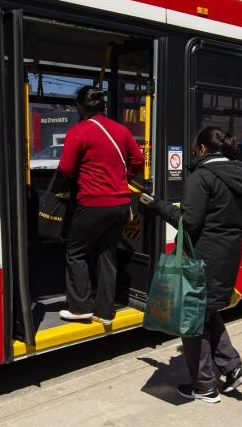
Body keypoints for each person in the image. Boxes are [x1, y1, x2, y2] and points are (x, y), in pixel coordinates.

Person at [140, 126, 242, 403]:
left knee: (190, 321)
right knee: (206, 313)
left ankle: (204, 387)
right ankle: (233, 367)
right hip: (228, 259)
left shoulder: (201, 177)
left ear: (202, 148)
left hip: (200, 261)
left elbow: (188, 223)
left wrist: (157, 205)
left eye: (195, 147)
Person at [57, 86, 144, 325]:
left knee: (76, 252)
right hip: (121, 204)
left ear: (81, 107)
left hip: (92, 203)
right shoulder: (121, 130)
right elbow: (138, 159)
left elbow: (65, 168)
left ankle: (80, 307)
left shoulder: (79, 131)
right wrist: (124, 178)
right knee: (107, 255)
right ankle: (105, 312)